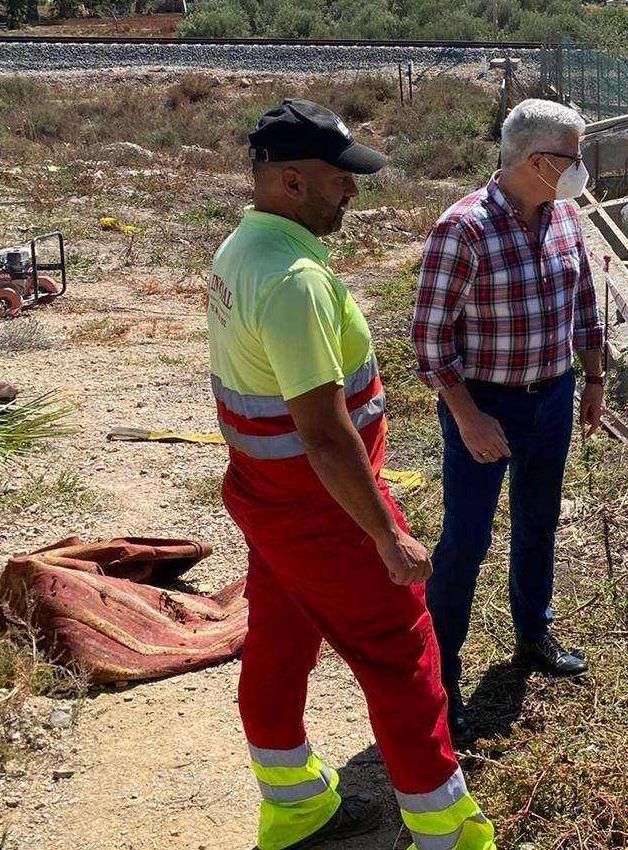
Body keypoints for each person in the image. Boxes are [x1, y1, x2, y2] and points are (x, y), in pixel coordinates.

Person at [208, 99, 494, 850]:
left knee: (279, 643)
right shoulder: (294, 280)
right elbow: (325, 433)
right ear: (293, 182)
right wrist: (385, 536)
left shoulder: (241, 249)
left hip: (267, 496)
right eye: (341, 179)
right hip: (323, 508)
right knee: (403, 654)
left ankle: (295, 805)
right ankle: (448, 833)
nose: (353, 192)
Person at [411, 98, 606, 743]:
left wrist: (593, 379)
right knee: (466, 541)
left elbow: (584, 303)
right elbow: (431, 341)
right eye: (573, 157)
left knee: (538, 520)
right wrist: (468, 418)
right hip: (486, 406)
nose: (581, 168)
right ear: (537, 161)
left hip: (552, 397)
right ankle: (441, 677)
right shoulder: (463, 229)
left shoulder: (565, 217)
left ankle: (533, 632)